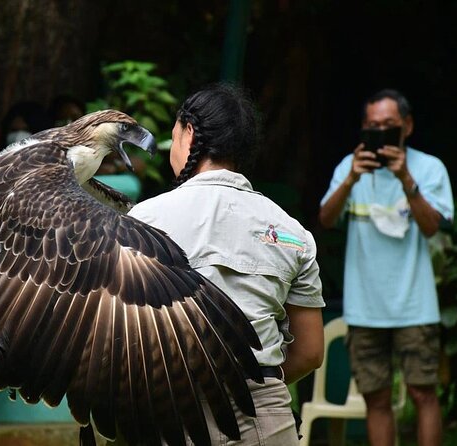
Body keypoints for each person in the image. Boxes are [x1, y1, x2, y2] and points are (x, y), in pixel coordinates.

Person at [128, 83, 325, 445]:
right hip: (265, 417)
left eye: (174, 137)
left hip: (167, 410)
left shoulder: (143, 220)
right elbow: (310, 353)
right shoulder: (292, 232)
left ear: (189, 133)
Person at [319, 89, 454, 446]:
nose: (380, 133)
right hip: (364, 309)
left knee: (423, 394)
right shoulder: (349, 167)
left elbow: (432, 226)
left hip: (415, 306)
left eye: (389, 126)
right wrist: (351, 179)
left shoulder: (429, 168)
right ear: (363, 128)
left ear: (407, 127)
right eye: (372, 126)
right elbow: (326, 219)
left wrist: (406, 179)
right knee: (376, 399)